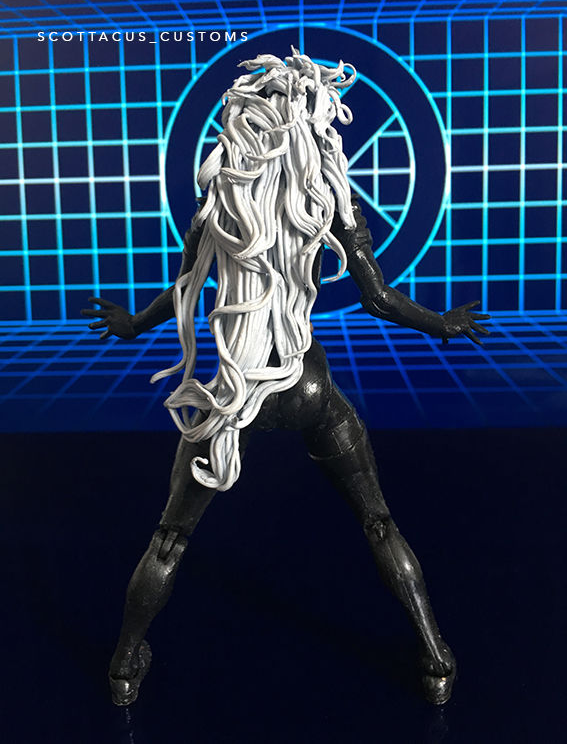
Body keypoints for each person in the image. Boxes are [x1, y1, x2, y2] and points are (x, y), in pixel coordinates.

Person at [82, 49, 489, 706]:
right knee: (378, 522)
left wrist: (130, 325)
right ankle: (436, 658)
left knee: (170, 537)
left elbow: (184, 289)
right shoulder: (329, 198)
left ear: (246, 121)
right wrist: (442, 323)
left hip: (236, 391)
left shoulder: (221, 196)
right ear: (314, 123)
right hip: (305, 387)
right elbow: (379, 298)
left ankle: (124, 667)